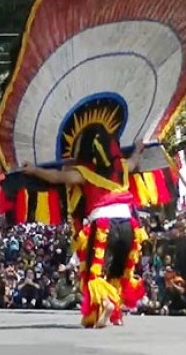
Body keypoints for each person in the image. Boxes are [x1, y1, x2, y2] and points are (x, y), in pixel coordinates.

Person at [22, 125, 146, 328]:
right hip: (129, 225)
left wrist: (34, 170)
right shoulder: (122, 166)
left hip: (103, 224)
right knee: (117, 270)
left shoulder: (85, 173)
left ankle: (106, 303)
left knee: (92, 273)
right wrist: (138, 148)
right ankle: (116, 312)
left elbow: (57, 177)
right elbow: (135, 161)